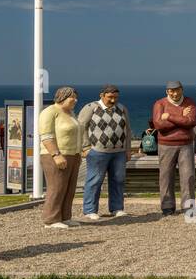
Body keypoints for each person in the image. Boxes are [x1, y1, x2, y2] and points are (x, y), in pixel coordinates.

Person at [77, 84, 131, 220]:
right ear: (102, 95)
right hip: (97, 151)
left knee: (118, 179)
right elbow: (81, 127)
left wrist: (128, 149)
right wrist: (85, 147)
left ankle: (117, 208)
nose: (113, 100)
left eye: (116, 97)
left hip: (119, 151)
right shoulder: (91, 108)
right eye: (110, 97)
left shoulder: (122, 108)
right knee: (95, 180)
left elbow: (128, 130)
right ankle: (90, 210)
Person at [38, 87, 83, 229]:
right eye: (72, 97)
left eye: (76, 97)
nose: (75, 100)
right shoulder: (50, 112)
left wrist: (80, 152)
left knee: (69, 188)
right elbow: (46, 136)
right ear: (62, 97)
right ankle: (51, 218)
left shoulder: (71, 113)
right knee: (56, 187)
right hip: (55, 155)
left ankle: (65, 216)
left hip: (73, 155)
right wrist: (56, 154)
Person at [152, 80, 196, 217]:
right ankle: (167, 207)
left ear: (182, 89)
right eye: (171, 91)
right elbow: (159, 125)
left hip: (186, 145)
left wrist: (170, 117)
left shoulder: (190, 102)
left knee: (188, 176)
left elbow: (191, 122)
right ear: (167, 92)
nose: (174, 93)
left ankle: (189, 208)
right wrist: (181, 116)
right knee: (166, 176)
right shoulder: (160, 104)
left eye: (177, 90)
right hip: (165, 144)